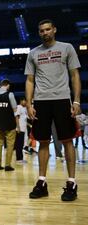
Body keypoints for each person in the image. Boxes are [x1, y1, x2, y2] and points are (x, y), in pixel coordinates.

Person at [25, 19, 81, 201]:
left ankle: (71, 182)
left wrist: (77, 101)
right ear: (39, 32)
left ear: (54, 30)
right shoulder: (33, 53)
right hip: (41, 102)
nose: (45, 32)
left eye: (48, 29)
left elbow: (75, 75)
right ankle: (42, 182)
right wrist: (29, 103)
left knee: (67, 141)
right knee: (42, 142)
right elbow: (30, 80)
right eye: (41, 30)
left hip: (62, 99)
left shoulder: (67, 48)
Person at [0, 79, 18, 171]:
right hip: (9, 124)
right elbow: (15, 109)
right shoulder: (10, 94)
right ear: (7, 85)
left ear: (0, 85)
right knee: (10, 144)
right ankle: (7, 165)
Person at [15, 97, 28, 164]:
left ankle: (21, 158)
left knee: (21, 144)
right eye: (24, 101)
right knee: (19, 144)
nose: (25, 102)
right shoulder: (19, 107)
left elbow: (25, 118)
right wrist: (18, 127)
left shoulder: (25, 108)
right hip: (19, 129)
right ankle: (18, 159)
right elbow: (16, 117)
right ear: (21, 101)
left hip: (23, 129)